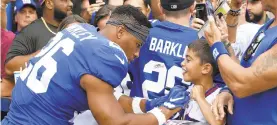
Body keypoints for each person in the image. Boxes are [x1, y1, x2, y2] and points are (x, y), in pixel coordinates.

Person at [2, 5, 188, 125]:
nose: (137, 53)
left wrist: (152, 104)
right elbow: (115, 122)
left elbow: (112, 98)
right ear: (121, 32)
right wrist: (165, 111)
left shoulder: (81, 30)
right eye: (138, 45)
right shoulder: (105, 54)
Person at [205, 0, 277, 124]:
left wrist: (216, 45)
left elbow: (242, 83)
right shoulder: (270, 25)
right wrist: (227, 90)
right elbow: (243, 69)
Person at [128, 0, 199, 99]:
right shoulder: (200, 40)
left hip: (139, 110)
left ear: (160, 7)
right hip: (177, 111)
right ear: (193, 7)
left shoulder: (142, 30)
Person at [4, 0, 73, 77]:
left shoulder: (76, 28)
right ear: (49, 3)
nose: (71, 4)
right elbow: (10, 67)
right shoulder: (31, 31)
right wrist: (46, 52)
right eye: (65, 0)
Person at [178, 39, 225, 124]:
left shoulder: (219, 96)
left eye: (188, 60)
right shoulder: (188, 90)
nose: (182, 63)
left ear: (206, 68)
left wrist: (200, 99)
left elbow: (217, 123)